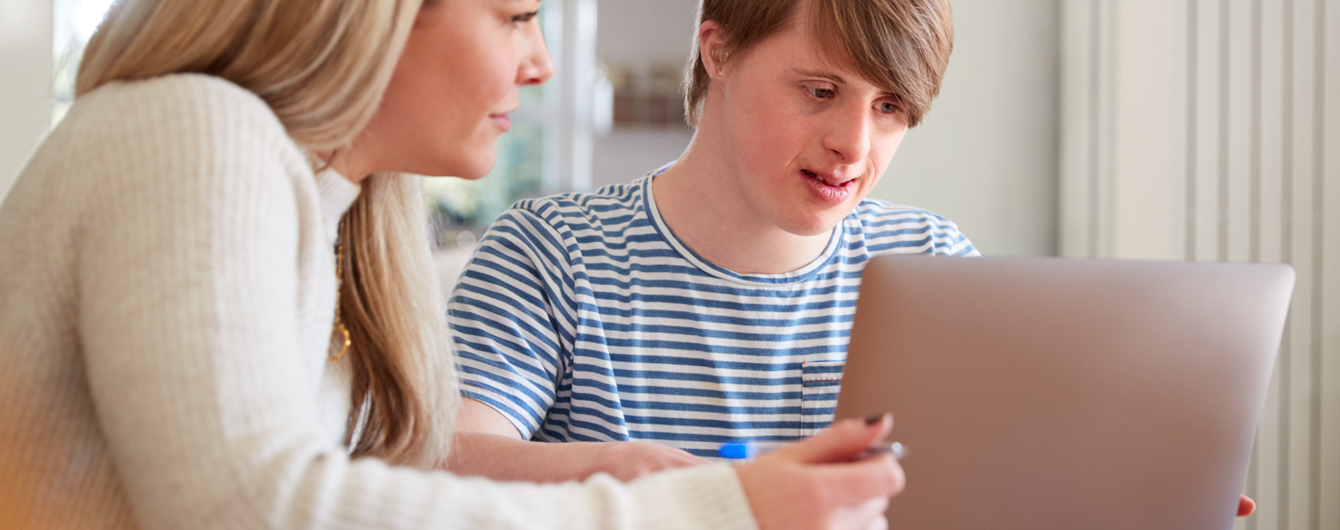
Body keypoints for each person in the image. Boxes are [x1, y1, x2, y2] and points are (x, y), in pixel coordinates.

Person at [0, 0, 905, 528]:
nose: (543, 62)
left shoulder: (350, 214)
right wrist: (716, 506)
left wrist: (649, 476)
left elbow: (389, 475)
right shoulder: (196, 132)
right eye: (515, 15)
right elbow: (251, 507)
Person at [442, 0, 1259, 518]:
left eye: (891, 107)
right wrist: (669, 482)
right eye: (820, 91)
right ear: (717, 50)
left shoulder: (932, 261)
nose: (854, 147)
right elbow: (444, 462)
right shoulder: (552, 252)